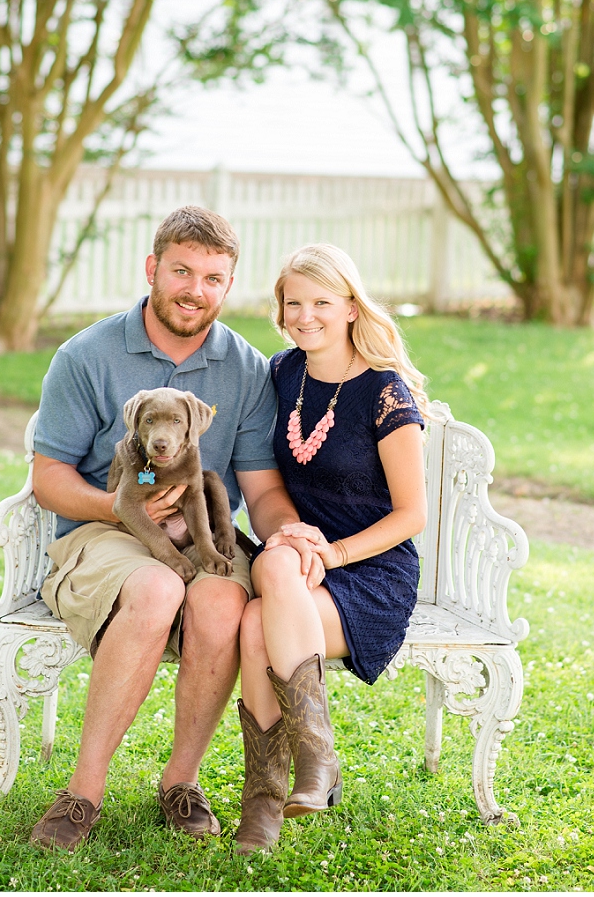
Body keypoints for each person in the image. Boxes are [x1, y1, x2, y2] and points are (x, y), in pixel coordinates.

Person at [26, 205, 296, 848]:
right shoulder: (86, 355)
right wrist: (126, 509)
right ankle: (82, 795)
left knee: (224, 596)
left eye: (212, 278)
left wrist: (289, 533)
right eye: (181, 271)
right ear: (153, 268)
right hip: (100, 532)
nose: (194, 291)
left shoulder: (247, 369)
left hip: (199, 536)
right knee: (155, 589)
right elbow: (49, 478)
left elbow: (260, 489)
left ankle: (181, 783)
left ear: (228, 287)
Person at [230, 243, 426, 854]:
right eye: (294, 303)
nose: (305, 314)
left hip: (367, 571)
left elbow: (413, 514)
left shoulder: (385, 391)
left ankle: (269, 797)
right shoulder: (282, 374)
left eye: (321, 301)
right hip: (295, 557)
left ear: (349, 307)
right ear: (281, 310)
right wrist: (293, 538)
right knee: (274, 572)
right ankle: (307, 770)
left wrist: (334, 555)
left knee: (260, 615)